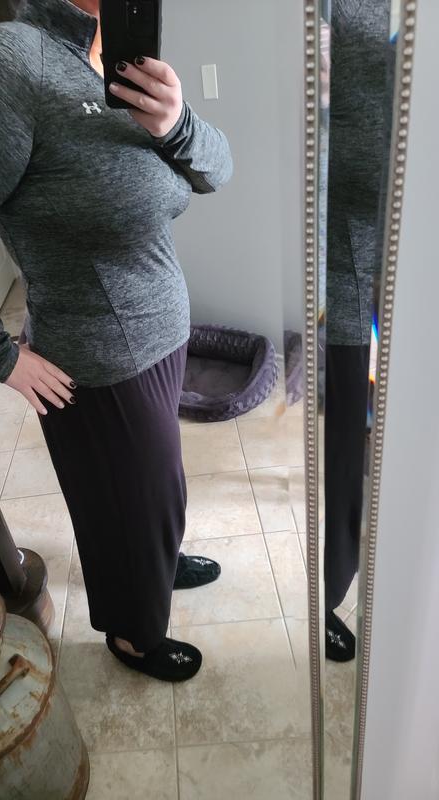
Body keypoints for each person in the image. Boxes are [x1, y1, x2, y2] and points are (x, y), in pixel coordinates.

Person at [0, 0, 233, 682]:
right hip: (97, 360)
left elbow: (216, 171)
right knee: (122, 504)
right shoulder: (6, 62)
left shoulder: (115, 63)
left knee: (156, 487)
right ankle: (134, 634)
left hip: (160, 336)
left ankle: (160, 561)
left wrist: (176, 124)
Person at [324, 0, 391, 661]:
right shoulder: (335, 19)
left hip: (405, 269)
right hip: (348, 274)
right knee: (345, 449)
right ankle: (329, 597)